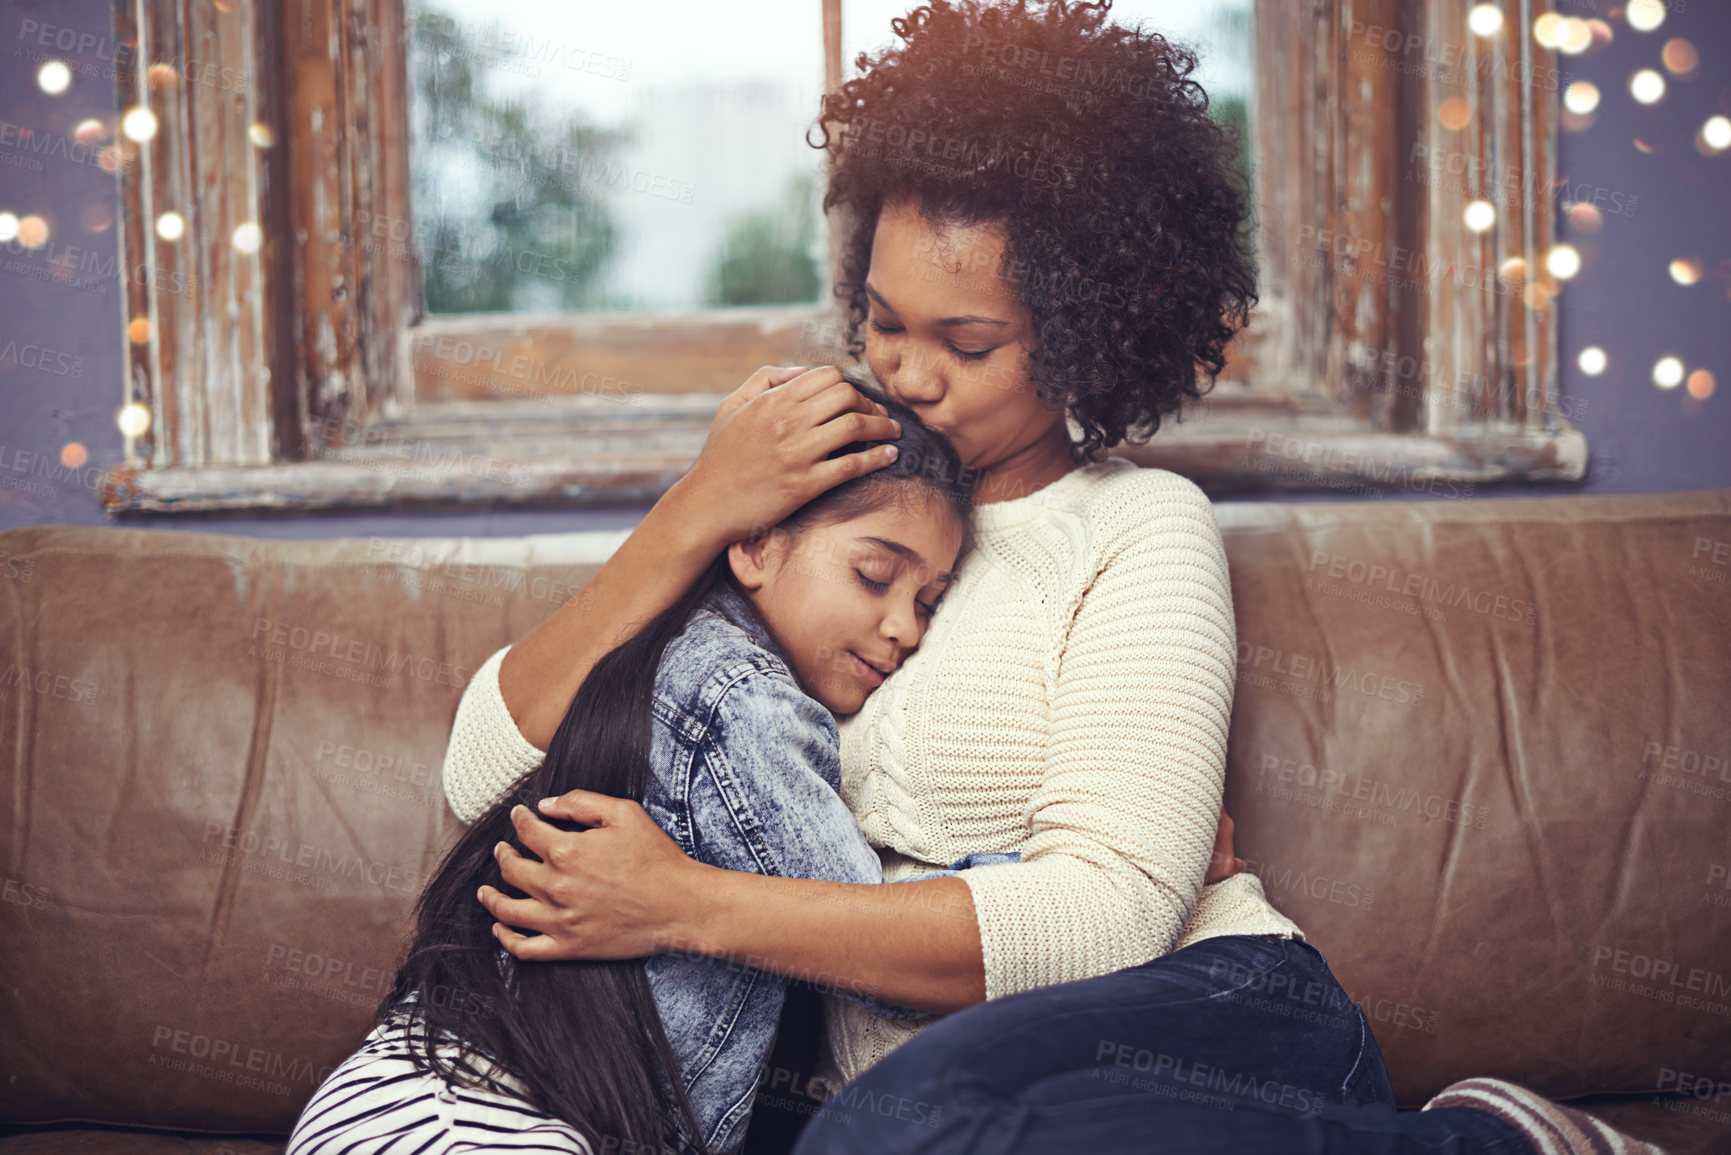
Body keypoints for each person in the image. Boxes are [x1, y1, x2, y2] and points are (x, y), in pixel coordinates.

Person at [441, 2, 1661, 1152]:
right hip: (936, 1091)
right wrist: (698, 508)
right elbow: (481, 771)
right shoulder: (795, 510)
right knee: (878, 1125)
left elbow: (1107, 916)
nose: (908, 373)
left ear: (1084, 330)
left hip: (1210, 1011)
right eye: (882, 321)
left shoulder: (1138, 526)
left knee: (888, 1127)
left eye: (966, 344)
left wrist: (689, 904)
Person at [287, 388, 979, 1155]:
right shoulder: (741, 701)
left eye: (929, 600)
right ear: (753, 545)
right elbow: (868, 949)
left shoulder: (667, 654)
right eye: (874, 575)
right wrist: (1015, 881)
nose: (904, 628)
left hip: (403, 1099)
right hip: (482, 1121)